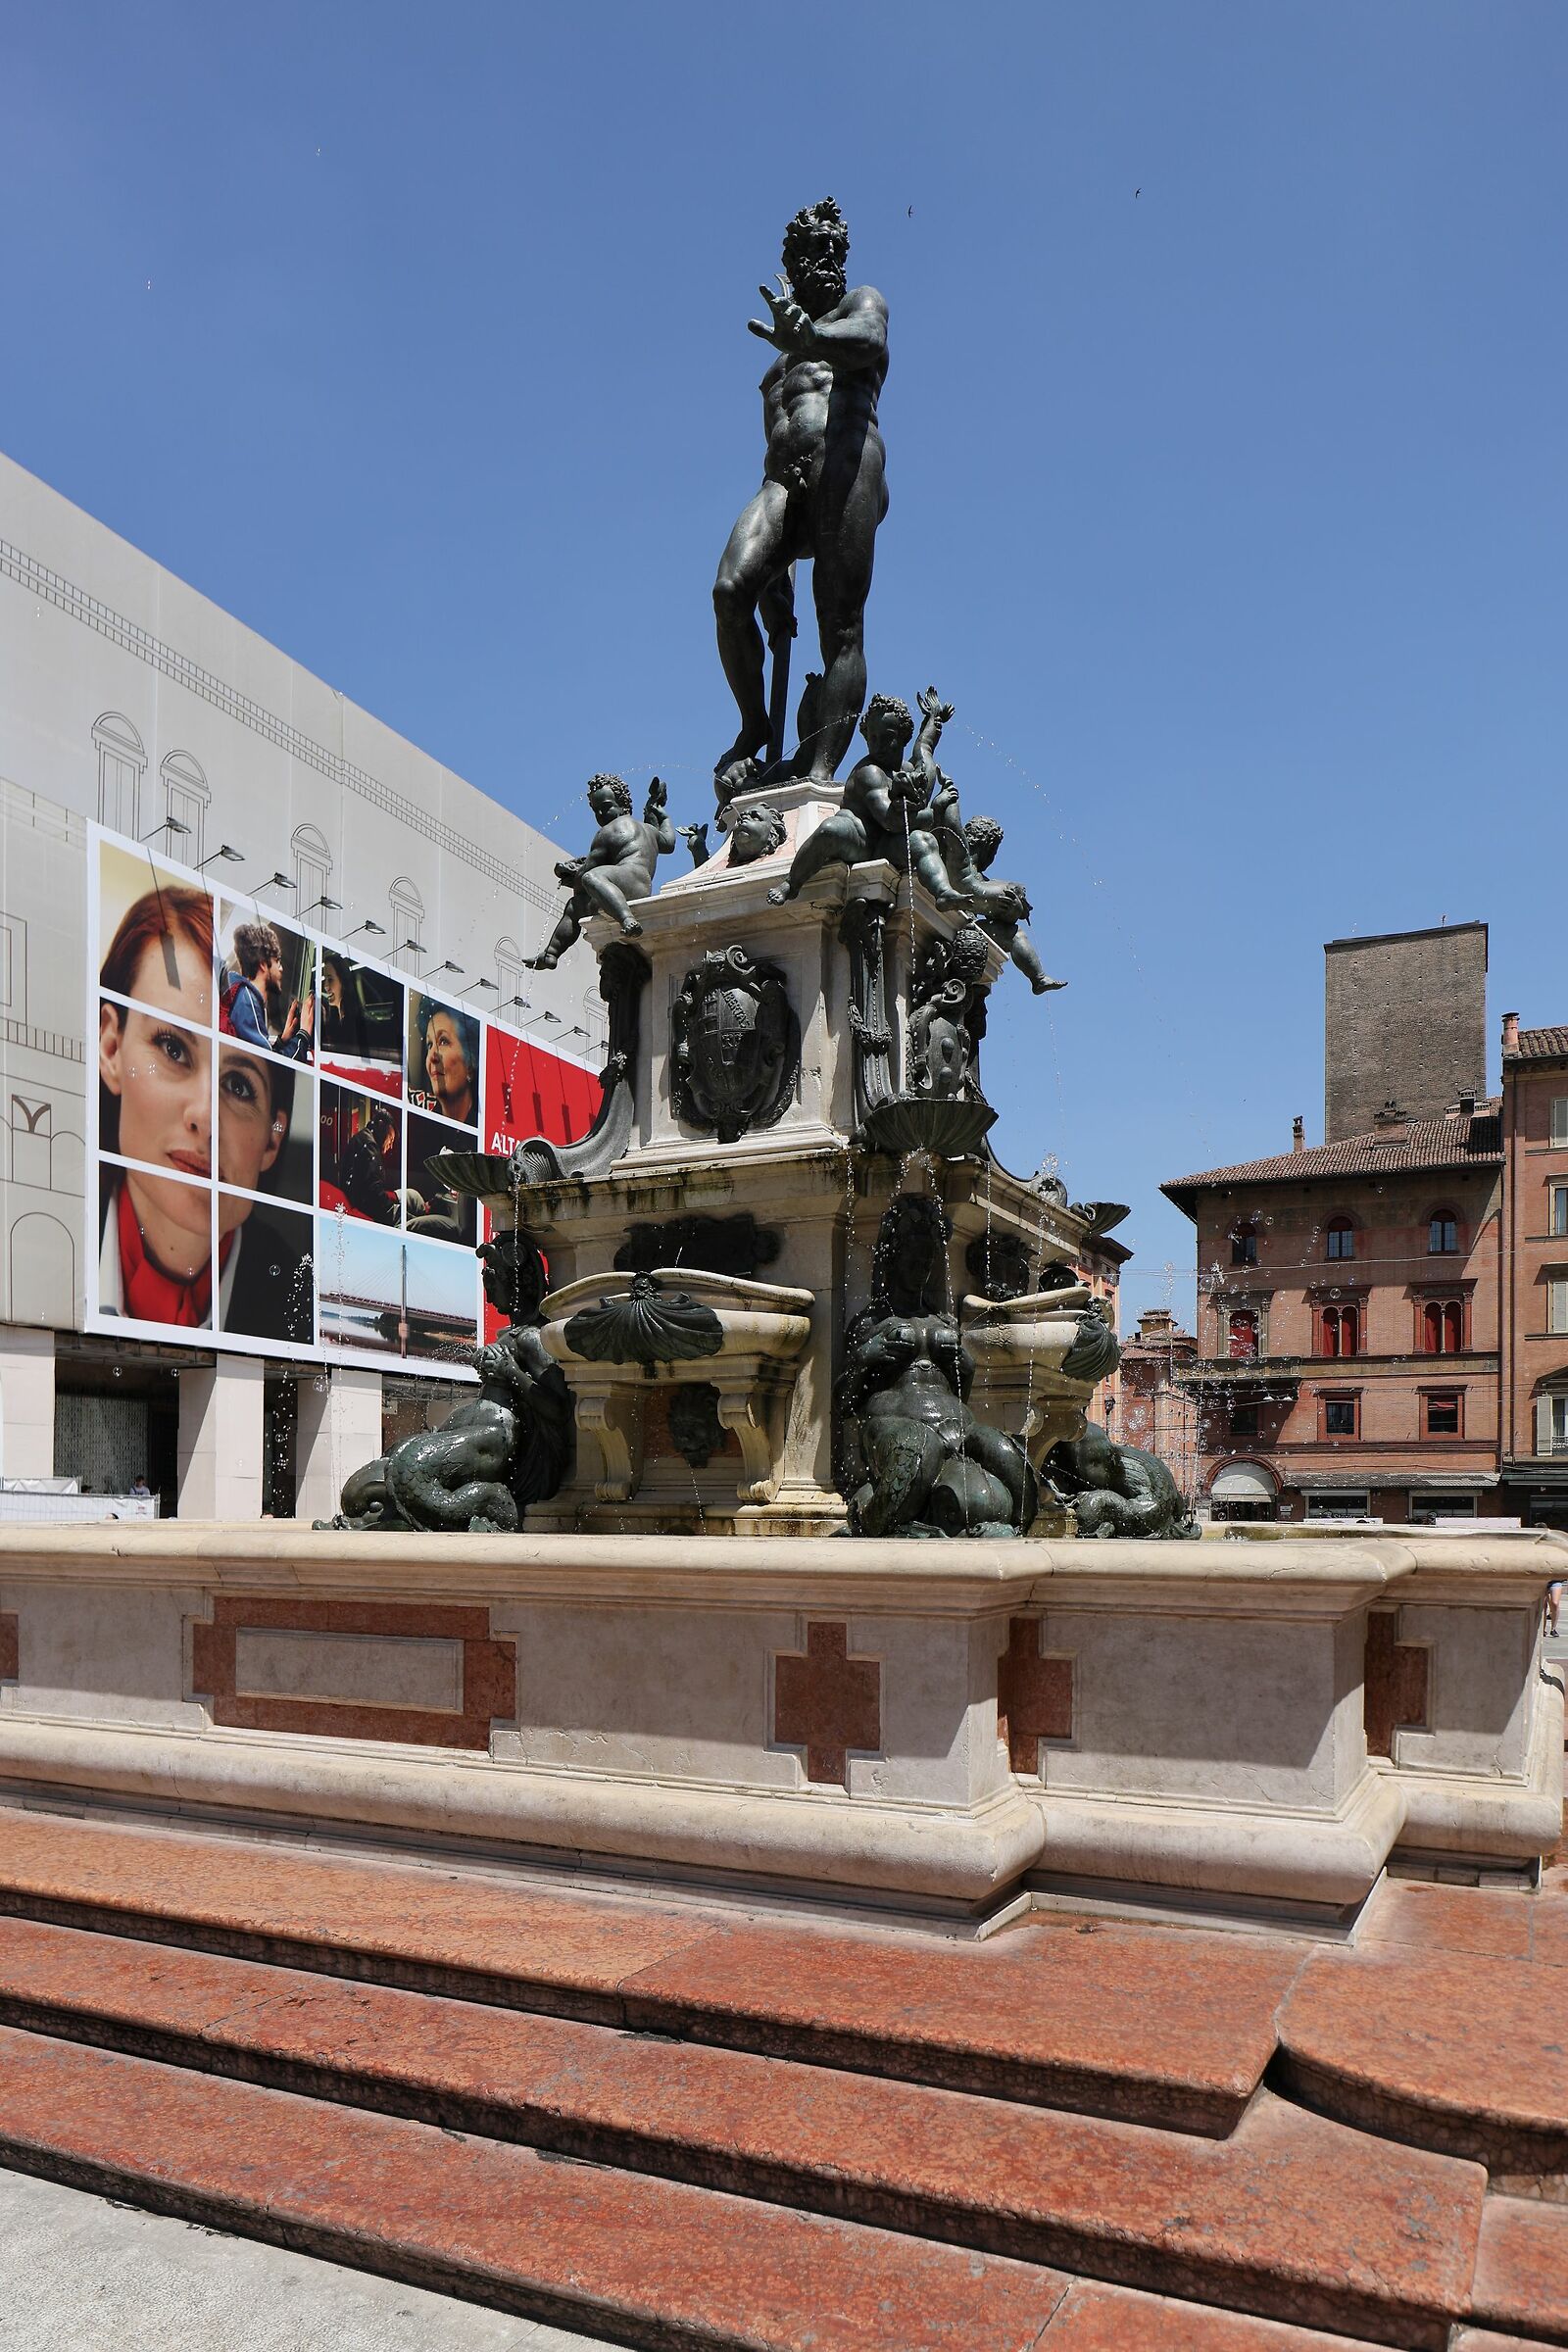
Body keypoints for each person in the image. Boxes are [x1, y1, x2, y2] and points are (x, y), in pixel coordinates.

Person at [713, 199, 890, 789]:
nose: (828, 262)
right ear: (791, 262)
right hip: (783, 481)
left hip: (847, 462)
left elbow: (867, 340)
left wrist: (813, 335)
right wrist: (773, 579)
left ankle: (817, 774)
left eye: (835, 251)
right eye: (814, 252)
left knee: (839, 626)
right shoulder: (777, 353)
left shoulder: (858, 306)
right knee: (732, 590)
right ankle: (756, 725)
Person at [98, 955, 311, 1340]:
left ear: (273, 1137)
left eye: (239, 1086)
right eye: (173, 1049)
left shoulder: (302, 1303)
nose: (206, 1118)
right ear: (112, 1048)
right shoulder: (49, 1234)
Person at [220, 920, 314, 1062]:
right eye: (278, 961)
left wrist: (282, 1041)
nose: (281, 968)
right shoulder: (247, 1001)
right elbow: (269, 1065)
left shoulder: (242, 996)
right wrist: (304, 1034)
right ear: (263, 965)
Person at [414, 999, 480, 1126]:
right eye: (429, 1044)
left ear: (470, 1062)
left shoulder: (486, 1126)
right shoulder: (419, 1127)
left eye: (443, 1041)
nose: (432, 1056)